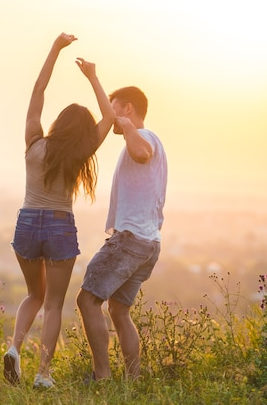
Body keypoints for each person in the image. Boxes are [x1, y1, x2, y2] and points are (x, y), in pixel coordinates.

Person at [3, 33, 115, 389]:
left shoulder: (34, 140)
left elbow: (38, 89)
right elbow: (110, 117)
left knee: (33, 294)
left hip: (26, 222)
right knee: (52, 304)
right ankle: (42, 374)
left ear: (58, 123)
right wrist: (93, 76)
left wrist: (54, 48)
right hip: (59, 226)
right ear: (81, 133)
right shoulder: (79, 153)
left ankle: (15, 348)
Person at [76, 86, 168, 381]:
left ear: (128, 108)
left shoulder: (145, 138)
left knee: (87, 300)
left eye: (113, 106)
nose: (108, 114)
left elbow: (142, 153)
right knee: (118, 309)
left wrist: (126, 124)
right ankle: (133, 379)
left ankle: (101, 377)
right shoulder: (143, 140)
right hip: (149, 242)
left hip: (131, 240)